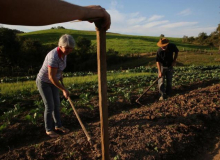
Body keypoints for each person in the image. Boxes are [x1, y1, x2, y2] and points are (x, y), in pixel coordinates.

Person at [36, 34, 75, 138]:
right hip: (44, 82)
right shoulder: (54, 56)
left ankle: (58, 126)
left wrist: (60, 75)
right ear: (60, 46)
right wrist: (64, 89)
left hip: (55, 81)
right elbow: (51, 77)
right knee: (49, 106)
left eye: (71, 48)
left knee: (57, 105)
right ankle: (48, 129)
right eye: (67, 48)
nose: (69, 50)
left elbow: (59, 68)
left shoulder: (64, 54)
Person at [0, 0, 111, 30]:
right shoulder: (54, 56)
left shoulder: (63, 56)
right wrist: (86, 12)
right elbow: (9, 6)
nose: (69, 50)